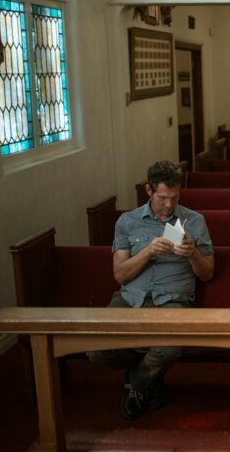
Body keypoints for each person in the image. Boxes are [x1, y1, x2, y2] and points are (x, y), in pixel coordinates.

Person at [87, 160, 215, 420]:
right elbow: (120, 274)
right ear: (149, 190)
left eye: (175, 197)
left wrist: (192, 255)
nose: (169, 205)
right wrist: (147, 252)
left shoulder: (194, 220)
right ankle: (152, 373)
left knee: (169, 348)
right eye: (163, 198)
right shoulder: (128, 222)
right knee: (96, 350)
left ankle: (137, 383)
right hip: (130, 299)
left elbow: (207, 273)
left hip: (172, 301)